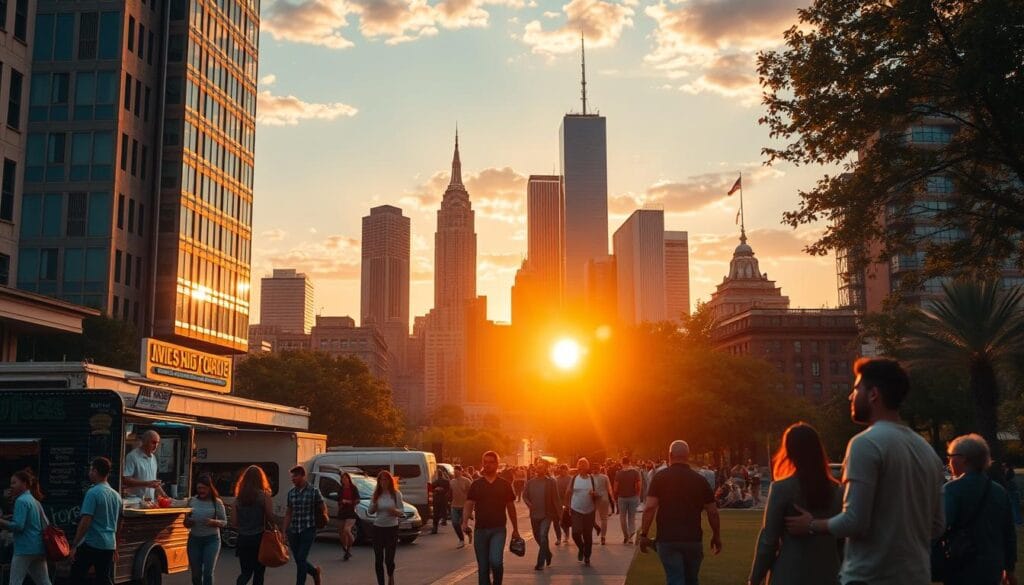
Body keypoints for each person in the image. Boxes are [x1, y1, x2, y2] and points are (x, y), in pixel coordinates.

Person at [785, 358, 946, 585]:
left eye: (856, 388)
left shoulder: (866, 443)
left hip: (870, 576)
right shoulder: (927, 451)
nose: (851, 396)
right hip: (916, 576)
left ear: (873, 394)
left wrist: (811, 525)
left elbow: (854, 521)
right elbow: (938, 525)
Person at [748, 423, 842, 585]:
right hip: (828, 574)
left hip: (790, 573)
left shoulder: (781, 489)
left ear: (790, 452)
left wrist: (755, 578)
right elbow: (842, 541)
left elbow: (769, 542)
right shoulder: (837, 491)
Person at [639, 440, 722, 585]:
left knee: (675, 578)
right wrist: (716, 535)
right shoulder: (700, 480)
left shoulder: (660, 478)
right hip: (693, 539)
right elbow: (713, 512)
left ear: (670, 455)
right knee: (691, 580)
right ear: (687, 456)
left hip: (667, 539)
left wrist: (644, 534)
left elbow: (650, 508)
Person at [940, 434, 1016, 585]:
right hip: (993, 567)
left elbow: (938, 527)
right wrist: (1010, 569)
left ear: (963, 458)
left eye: (950, 456)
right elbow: (1009, 533)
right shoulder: (999, 490)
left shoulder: (952, 490)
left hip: (961, 564)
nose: (949, 461)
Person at [462, 451, 520, 585]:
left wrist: (515, 529)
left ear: (497, 464)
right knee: (483, 568)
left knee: (496, 561)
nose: (487, 465)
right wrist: (464, 522)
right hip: (480, 530)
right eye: (485, 462)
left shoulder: (504, 484)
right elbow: (469, 503)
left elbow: (511, 507)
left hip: (498, 529)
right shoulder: (476, 484)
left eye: (491, 462)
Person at [70, 457, 122, 585]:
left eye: (91, 469)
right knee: (103, 578)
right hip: (109, 544)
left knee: (76, 576)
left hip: (93, 542)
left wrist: (75, 544)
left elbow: (86, 520)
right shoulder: (116, 495)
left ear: (95, 471)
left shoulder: (92, 493)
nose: (89, 472)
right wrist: (116, 545)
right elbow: (119, 522)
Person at [0, 469, 52, 585]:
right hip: (38, 548)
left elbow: (18, 526)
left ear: (24, 484)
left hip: (24, 549)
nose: (11, 486)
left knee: (15, 582)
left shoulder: (21, 501)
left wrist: (1, 522)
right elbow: (45, 524)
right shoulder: (35, 501)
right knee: (44, 581)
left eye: (14, 483)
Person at [233, 465, 276, 585]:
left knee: (245, 573)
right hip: (259, 539)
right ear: (260, 479)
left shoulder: (238, 499)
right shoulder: (264, 497)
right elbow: (270, 517)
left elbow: (234, 522)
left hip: (243, 539)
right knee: (259, 573)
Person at [283, 465, 324, 585]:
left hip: (308, 528)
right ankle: (314, 572)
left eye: (295, 476)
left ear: (302, 475)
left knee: (301, 558)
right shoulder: (291, 493)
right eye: (292, 476)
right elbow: (288, 513)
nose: (293, 479)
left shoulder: (313, 491)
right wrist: (284, 530)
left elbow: (322, 508)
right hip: (294, 530)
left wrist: (321, 519)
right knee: (299, 560)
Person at [184, 473, 227, 585]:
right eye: (199, 488)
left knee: (208, 572)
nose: (201, 490)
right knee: (196, 574)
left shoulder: (216, 502)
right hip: (194, 540)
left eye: (204, 488)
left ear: (209, 488)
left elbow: (224, 522)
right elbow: (185, 523)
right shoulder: (192, 501)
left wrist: (214, 522)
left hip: (211, 540)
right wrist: (188, 522)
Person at [523, 458, 560, 571]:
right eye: (538, 468)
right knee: (537, 537)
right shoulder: (530, 483)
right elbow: (525, 496)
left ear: (545, 470)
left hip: (547, 514)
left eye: (542, 468)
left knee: (543, 536)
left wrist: (560, 514)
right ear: (535, 469)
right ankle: (548, 554)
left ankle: (540, 563)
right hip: (534, 515)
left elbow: (556, 499)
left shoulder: (551, 482)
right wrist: (529, 504)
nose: (539, 470)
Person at [368, 470, 404, 585]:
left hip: (391, 528)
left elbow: (402, 511)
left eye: (385, 479)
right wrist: (374, 505)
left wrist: (395, 511)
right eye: (381, 480)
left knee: (389, 559)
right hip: (378, 528)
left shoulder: (396, 494)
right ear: (378, 482)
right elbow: (370, 511)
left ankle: (390, 574)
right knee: (378, 559)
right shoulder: (376, 495)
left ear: (390, 480)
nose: (383, 482)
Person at [565, 457, 598, 565]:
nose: (582, 467)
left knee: (587, 535)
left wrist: (594, 494)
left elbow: (598, 494)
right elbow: (568, 492)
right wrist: (567, 506)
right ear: (578, 467)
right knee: (575, 533)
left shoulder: (592, 479)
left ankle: (587, 556)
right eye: (580, 465)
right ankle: (581, 547)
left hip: (589, 510)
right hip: (576, 509)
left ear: (587, 467)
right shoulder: (574, 479)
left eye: (584, 465)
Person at [123, 429, 166, 501]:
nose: (155, 446)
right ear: (144, 442)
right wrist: (147, 483)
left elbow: (153, 483)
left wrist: (165, 496)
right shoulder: (132, 456)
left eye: (157, 443)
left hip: (150, 502)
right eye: (153, 442)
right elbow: (125, 479)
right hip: (135, 501)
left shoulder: (153, 458)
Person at [614, 457, 642, 544]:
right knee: (631, 517)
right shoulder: (635, 472)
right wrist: (638, 495)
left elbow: (615, 488)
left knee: (622, 517)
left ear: (622, 463)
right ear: (629, 462)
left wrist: (616, 495)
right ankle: (631, 536)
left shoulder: (618, 473)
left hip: (622, 497)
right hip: (633, 497)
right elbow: (638, 485)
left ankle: (625, 535)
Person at [337, 472, 359, 560]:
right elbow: (338, 499)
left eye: (346, 478)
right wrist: (341, 503)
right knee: (341, 533)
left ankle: (349, 547)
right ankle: (346, 550)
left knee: (347, 529)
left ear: (349, 479)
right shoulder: (341, 488)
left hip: (351, 512)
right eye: (343, 479)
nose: (344, 480)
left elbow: (357, 500)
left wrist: (349, 502)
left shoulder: (353, 488)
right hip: (342, 512)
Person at [450, 465, 473, 548]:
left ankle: (469, 532)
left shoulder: (467, 481)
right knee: (455, 523)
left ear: (461, 472)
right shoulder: (452, 482)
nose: (455, 473)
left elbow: (472, 494)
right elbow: (449, 493)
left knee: (463, 525)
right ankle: (461, 540)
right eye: (454, 472)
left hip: (464, 506)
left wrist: (471, 510)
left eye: (456, 472)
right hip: (454, 506)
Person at [593, 465, 612, 545]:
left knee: (592, 517)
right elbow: (609, 488)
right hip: (603, 498)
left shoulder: (590, 477)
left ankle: (598, 529)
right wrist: (612, 498)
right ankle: (603, 536)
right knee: (604, 519)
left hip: (594, 499)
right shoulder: (605, 477)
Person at [553, 465, 571, 545]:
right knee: (556, 522)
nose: (562, 471)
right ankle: (558, 538)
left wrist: (569, 504)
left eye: (564, 470)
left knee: (564, 522)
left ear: (567, 470)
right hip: (557, 504)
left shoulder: (570, 479)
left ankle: (566, 535)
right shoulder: (555, 479)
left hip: (567, 503)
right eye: (561, 470)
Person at [432, 470, 451, 535]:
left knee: (436, 513)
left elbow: (432, 489)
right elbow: (449, 490)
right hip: (444, 499)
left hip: (436, 499)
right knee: (443, 510)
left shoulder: (435, 482)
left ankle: (435, 528)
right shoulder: (446, 482)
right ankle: (444, 520)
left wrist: (436, 489)